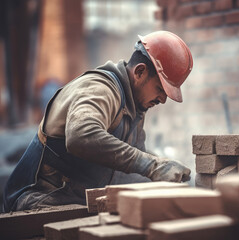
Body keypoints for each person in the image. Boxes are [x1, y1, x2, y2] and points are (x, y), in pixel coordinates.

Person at [3, 31, 193, 212]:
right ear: (139, 72)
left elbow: (134, 161)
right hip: (39, 198)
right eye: (160, 89)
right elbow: (81, 136)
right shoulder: (100, 89)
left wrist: (168, 171)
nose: (163, 99)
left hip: (79, 198)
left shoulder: (135, 106)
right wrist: (152, 165)